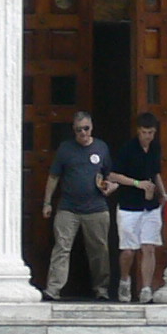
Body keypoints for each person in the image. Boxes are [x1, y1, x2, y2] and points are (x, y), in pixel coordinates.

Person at [41, 112, 118, 301]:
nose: (83, 133)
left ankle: (101, 289)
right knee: (62, 248)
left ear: (92, 127)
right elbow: (54, 177)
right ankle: (53, 289)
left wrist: (111, 187)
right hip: (68, 207)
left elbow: (110, 175)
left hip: (96, 208)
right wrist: (47, 202)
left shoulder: (101, 147)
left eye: (86, 128)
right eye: (78, 130)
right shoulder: (65, 149)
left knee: (99, 250)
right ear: (73, 130)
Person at [107, 112, 167, 304]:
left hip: (150, 205)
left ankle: (146, 289)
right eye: (144, 132)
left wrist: (163, 193)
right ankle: (124, 281)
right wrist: (137, 183)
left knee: (149, 247)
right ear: (138, 131)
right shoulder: (127, 149)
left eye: (151, 133)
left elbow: (156, 173)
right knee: (128, 250)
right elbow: (113, 175)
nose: (147, 136)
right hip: (129, 205)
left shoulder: (155, 148)